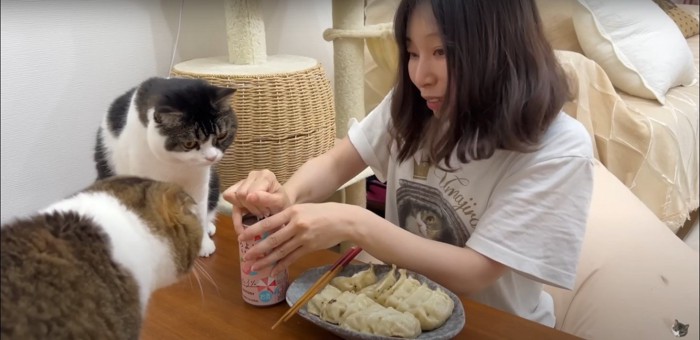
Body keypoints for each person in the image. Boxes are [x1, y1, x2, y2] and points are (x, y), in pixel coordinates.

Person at [224, 0, 593, 327]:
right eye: (413, 53)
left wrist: (353, 222)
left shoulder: (559, 148)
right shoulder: (416, 105)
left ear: (502, 45)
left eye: (442, 51)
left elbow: (475, 272)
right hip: (397, 313)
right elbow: (337, 163)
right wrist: (284, 196)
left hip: (495, 327)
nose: (420, 77)